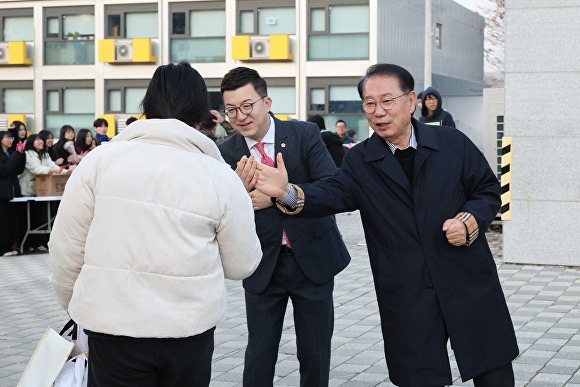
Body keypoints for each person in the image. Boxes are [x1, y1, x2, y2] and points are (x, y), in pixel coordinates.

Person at [252, 63, 519, 387]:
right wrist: (287, 192)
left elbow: (487, 190)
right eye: (369, 103)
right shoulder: (361, 161)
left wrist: (470, 221)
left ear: (412, 101)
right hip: (407, 290)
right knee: (420, 376)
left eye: (388, 100)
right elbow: (330, 194)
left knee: (493, 371)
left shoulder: (452, 144)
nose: (378, 111)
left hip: (465, 277)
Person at [49, 61, 262, 387]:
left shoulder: (99, 162)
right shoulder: (220, 175)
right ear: (202, 114)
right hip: (189, 333)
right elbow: (242, 264)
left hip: (113, 330)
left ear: (147, 106)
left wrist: (79, 308)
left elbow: (65, 249)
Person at [217, 67, 350, 387]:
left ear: (267, 101)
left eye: (247, 105)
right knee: (259, 354)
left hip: (313, 260)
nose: (240, 116)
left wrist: (280, 196)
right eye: (232, 109)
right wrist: (236, 196)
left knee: (315, 353)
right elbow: (219, 213)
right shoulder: (226, 153)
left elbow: (334, 190)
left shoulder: (304, 135)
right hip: (262, 264)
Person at [0, 130, 25, 256]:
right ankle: (3, 248)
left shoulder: (11, 153)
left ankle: (10, 246)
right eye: (7, 138)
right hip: (2, 194)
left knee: (13, 222)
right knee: (3, 222)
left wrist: (21, 153)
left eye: (11, 138)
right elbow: (4, 170)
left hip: (13, 193)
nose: (10, 140)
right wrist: (16, 154)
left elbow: (19, 169)